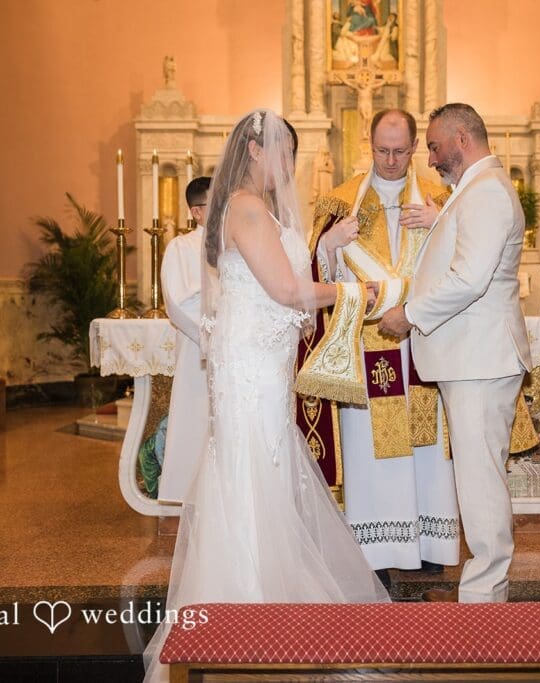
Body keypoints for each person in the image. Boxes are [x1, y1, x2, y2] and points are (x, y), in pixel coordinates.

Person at [144, 110, 389, 683]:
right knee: (252, 472)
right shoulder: (247, 208)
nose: (288, 167)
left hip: (259, 363)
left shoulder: (249, 208)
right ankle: (245, 609)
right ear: (254, 149)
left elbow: (278, 283)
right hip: (251, 367)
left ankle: (260, 609)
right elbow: (286, 290)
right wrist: (356, 293)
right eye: (283, 153)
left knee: (262, 470)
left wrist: (324, 260)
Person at [379, 103, 532, 603]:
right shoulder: (472, 192)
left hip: (480, 359)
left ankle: (485, 597)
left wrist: (411, 313)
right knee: (477, 476)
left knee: (481, 480)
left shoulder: (486, 194)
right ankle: (484, 589)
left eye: (435, 146)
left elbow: (468, 279)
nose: (431, 157)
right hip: (471, 357)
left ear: (461, 139)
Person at [307, 109, 458, 586]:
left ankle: (431, 547)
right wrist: (328, 244)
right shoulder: (339, 202)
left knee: (428, 448)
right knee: (373, 456)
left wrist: (444, 223)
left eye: (400, 151)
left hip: (421, 340)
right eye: (381, 151)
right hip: (367, 345)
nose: (391, 161)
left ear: (415, 147)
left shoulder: (442, 199)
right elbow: (316, 282)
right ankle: (376, 553)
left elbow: (468, 264)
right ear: (367, 145)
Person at [157, 177, 212, 504]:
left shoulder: (237, 243)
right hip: (198, 350)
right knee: (195, 416)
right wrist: (215, 333)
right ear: (196, 212)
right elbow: (178, 301)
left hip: (235, 347)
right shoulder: (181, 247)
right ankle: (186, 495)